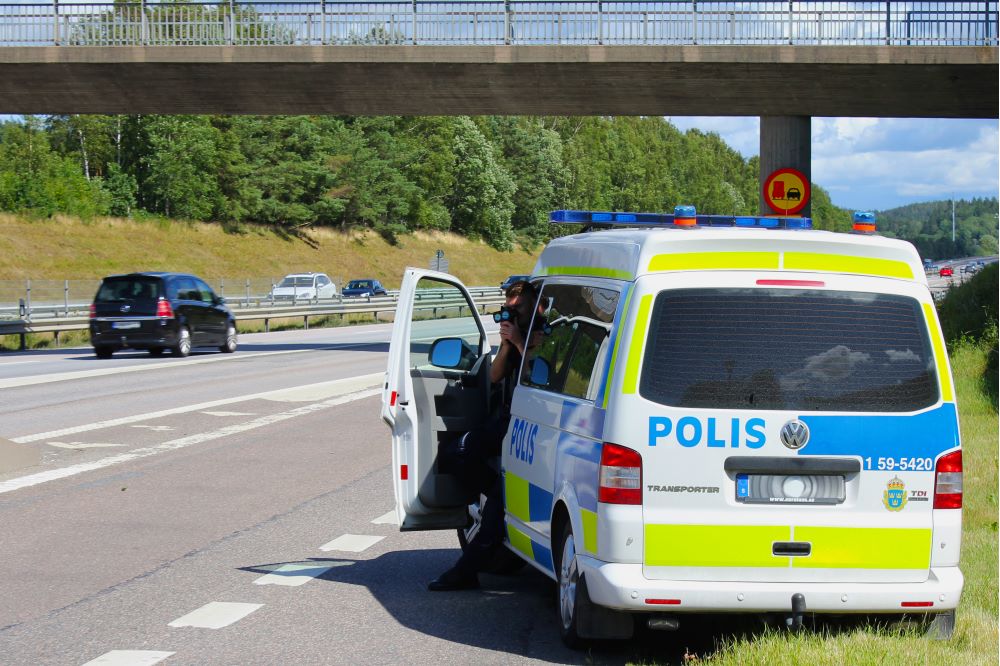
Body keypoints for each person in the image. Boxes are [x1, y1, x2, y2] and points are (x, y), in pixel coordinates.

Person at [428, 279, 541, 591]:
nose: (511, 309)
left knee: (494, 512)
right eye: (508, 304)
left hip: (532, 424)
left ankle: (465, 571)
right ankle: (496, 490)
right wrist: (506, 345)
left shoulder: (547, 334)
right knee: (457, 451)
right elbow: (493, 376)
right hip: (507, 421)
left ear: (535, 302)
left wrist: (521, 342)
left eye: (517, 303)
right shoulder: (517, 333)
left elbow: (541, 377)